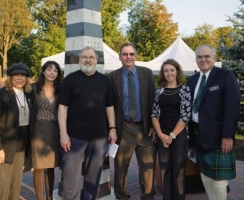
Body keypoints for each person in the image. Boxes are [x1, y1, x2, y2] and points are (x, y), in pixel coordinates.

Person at [57, 46, 117, 199]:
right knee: (70, 178)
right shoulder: (70, 80)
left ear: (96, 60)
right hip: (73, 138)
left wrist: (112, 128)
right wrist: (63, 133)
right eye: (84, 57)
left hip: (99, 138)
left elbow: (110, 107)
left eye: (91, 57)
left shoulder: (104, 81)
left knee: (93, 178)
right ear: (79, 60)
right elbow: (62, 107)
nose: (88, 59)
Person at [187, 44, 240, 200]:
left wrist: (228, 136)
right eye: (199, 57)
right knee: (204, 174)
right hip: (197, 135)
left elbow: (232, 108)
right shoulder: (192, 79)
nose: (203, 60)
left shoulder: (225, 76)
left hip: (218, 137)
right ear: (196, 59)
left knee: (218, 179)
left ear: (214, 58)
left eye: (206, 56)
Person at [108, 43, 156, 200]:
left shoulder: (146, 73)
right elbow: (110, 104)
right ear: (120, 56)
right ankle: (121, 196)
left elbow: (153, 101)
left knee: (148, 167)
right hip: (125, 128)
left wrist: (154, 126)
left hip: (145, 128)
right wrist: (112, 128)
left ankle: (148, 196)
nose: (128, 57)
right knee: (121, 166)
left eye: (131, 54)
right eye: (125, 54)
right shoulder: (113, 77)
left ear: (136, 55)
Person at [0, 63, 35, 200]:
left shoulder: (29, 94)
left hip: (20, 146)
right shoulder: (1, 94)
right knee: (0, 183)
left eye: (23, 75)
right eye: (16, 75)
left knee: (15, 185)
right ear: (10, 77)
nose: (20, 78)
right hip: (3, 146)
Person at [151, 59, 191, 200]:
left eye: (172, 70)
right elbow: (154, 114)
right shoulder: (159, 91)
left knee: (178, 170)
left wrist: (172, 136)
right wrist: (162, 135)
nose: (169, 73)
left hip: (179, 135)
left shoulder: (185, 90)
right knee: (165, 169)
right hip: (163, 135)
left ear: (177, 72)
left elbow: (185, 116)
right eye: (166, 70)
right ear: (163, 73)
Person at [31, 61, 62, 200]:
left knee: (50, 167)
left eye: (55, 70)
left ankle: (50, 197)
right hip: (37, 131)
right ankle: (40, 198)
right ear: (43, 71)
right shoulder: (33, 88)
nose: (52, 72)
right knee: (38, 167)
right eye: (49, 69)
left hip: (55, 131)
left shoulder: (60, 90)